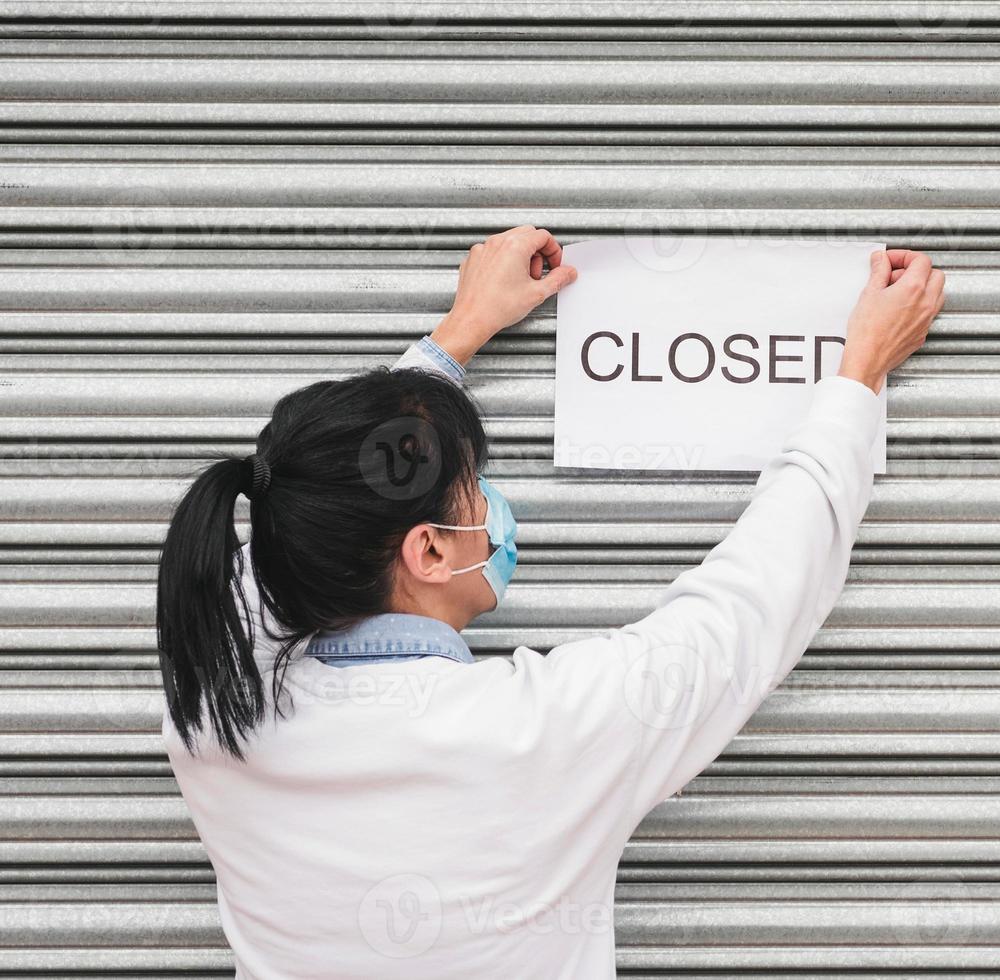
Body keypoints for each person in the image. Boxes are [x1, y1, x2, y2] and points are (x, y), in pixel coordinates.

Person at [156, 225, 944, 979]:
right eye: (472, 492)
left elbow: (299, 525)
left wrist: (455, 338)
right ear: (428, 549)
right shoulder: (540, 729)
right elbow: (754, 598)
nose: (491, 504)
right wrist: (857, 374)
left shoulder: (215, 712)